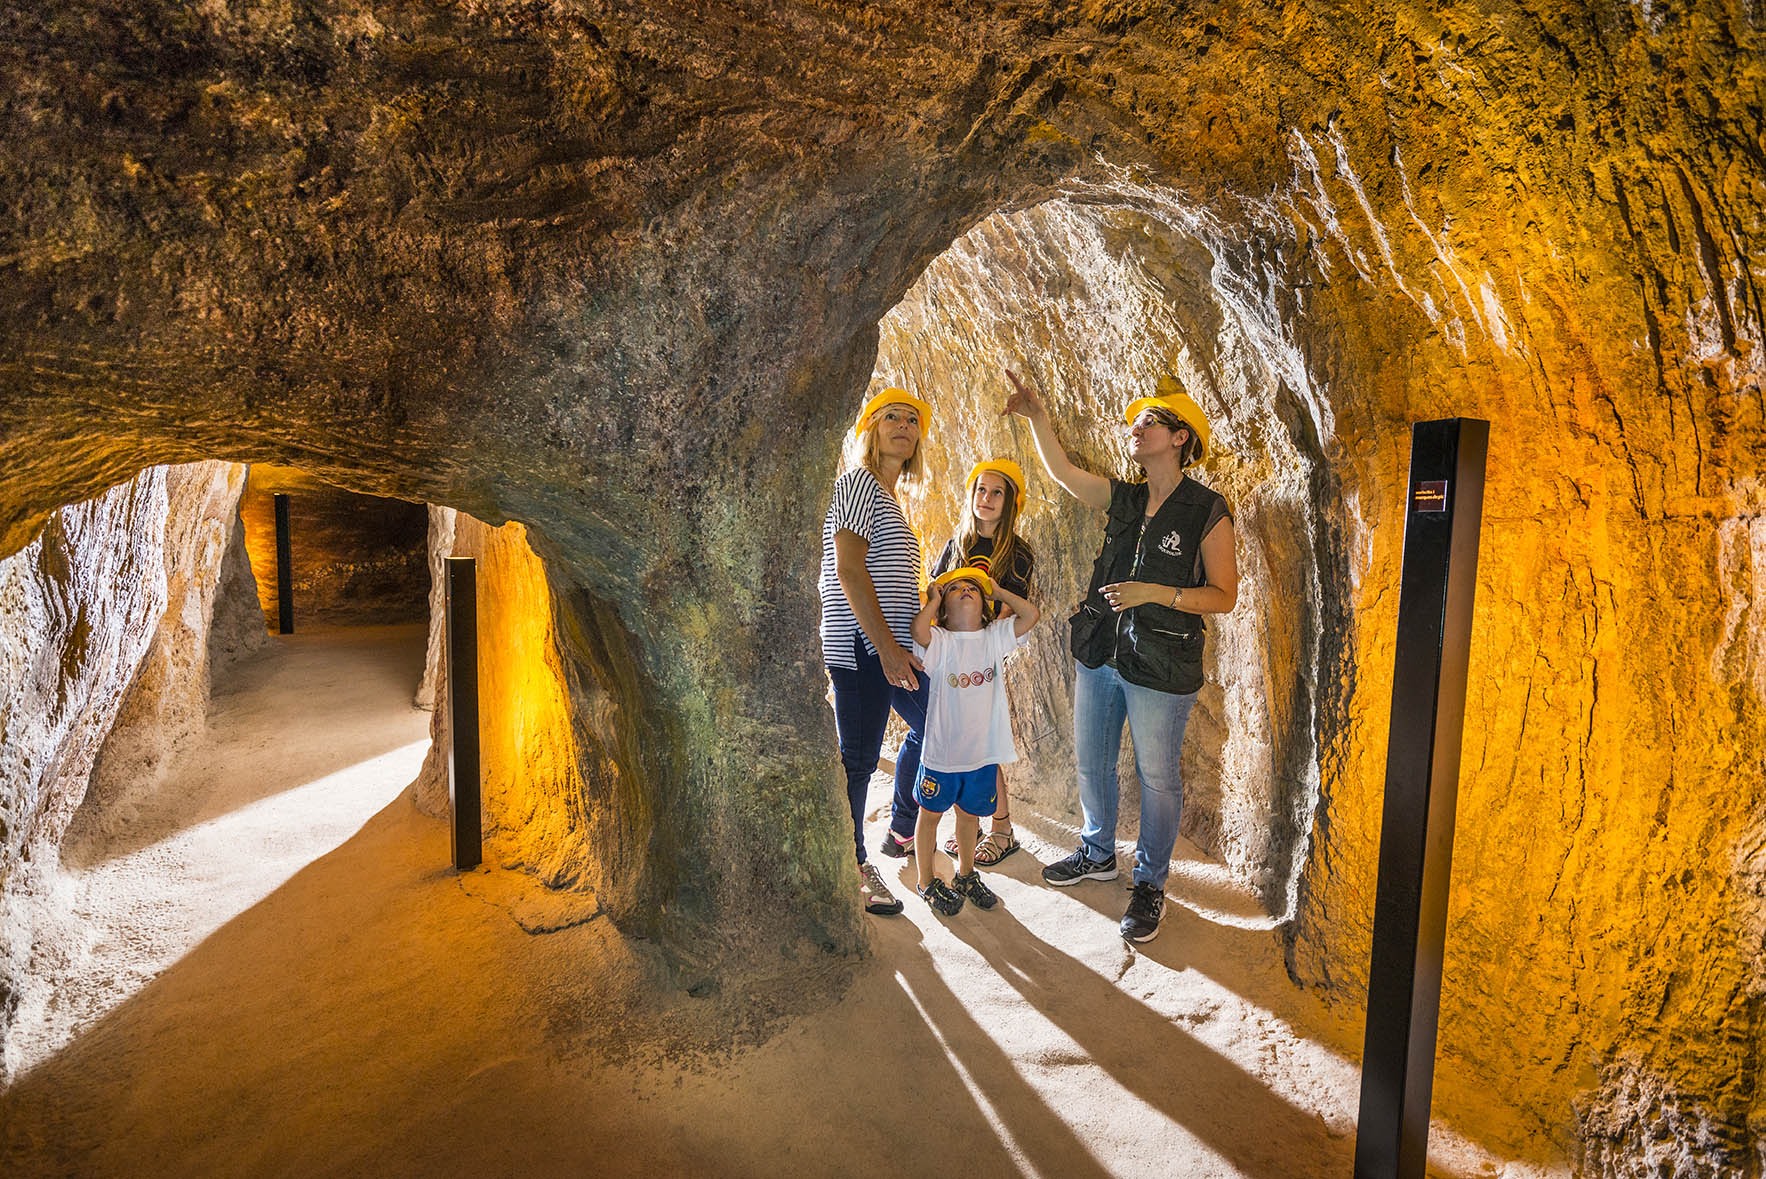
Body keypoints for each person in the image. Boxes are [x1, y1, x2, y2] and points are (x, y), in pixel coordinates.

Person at [1003, 369, 1239, 943]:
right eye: (1135, 423)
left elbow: (1225, 595)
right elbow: (1064, 475)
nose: (1136, 429)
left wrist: (1154, 592)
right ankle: (1098, 851)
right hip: (1102, 650)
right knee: (1092, 762)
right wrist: (1038, 419)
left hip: (1162, 662)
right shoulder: (1127, 497)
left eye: (1149, 422)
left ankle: (1150, 884)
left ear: (1180, 437)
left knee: (1156, 778)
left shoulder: (1206, 508)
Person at [819, 387, 932, 917]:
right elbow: (848, 568)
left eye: (912, 420)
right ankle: (854, 866)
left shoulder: (888, 496)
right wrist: (886, 648)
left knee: (936, 721)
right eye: (892, 417)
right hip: (863, 647)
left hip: (890, 649)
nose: (904, 426)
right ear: (871, 429)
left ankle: (902, 828)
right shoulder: (859, 482)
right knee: (860, 758)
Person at [908, 566, 1041, 916]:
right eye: (955, 589)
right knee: (930, 816)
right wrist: (932, 600)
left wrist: (1000, 593)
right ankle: (926, 881)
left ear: (984, 607)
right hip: (942, 756)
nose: (966, 590)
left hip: (981, 756)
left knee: (969, 818)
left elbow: (1030, 615)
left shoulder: (994, 636)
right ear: (943, 610)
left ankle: (966, 874)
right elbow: (918, 630)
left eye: (973, 588)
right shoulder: (940, 640)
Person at [929, 460, 1037, 866]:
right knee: (963, 742)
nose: (986, 499)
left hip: (986, 650)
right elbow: (935, 595)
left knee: (983, 743)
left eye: (996, 492)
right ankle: (969, 826)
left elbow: (1012, 608)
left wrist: (979, 643)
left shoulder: (1018, 552)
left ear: (1010, 503)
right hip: (951, 654)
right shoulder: (957, 542)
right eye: (980, 490)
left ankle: (1002, 829)